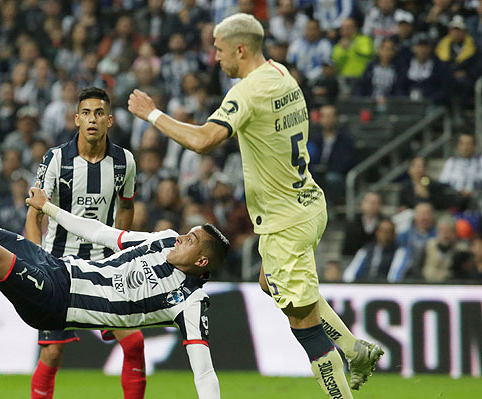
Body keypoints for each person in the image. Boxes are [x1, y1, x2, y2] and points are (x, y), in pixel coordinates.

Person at [127, 13, 383, 396]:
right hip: (308, 203)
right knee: (269, 281)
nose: (215, 57)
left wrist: (153, 114)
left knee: (304, 324)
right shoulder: (281, 74)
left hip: (285, 221)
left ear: (240, 49)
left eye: (219, 49)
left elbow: (203, 140)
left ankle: (344, 384)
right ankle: (354, 350)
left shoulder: (247, 92)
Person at [0, 188, 229, 399]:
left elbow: (205, 372)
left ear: (201, 263)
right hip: (56, 265)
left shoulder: (191, 302)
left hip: (56, 302)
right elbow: (103, 234)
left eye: (191, 240)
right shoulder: (162, 241)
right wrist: (52, 209)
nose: (181, 236)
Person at [24, 87, 144, 399]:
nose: (93, 119)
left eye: (99, 113)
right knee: (52, 354)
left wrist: (122, 250)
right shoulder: (56, 159)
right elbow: (34, 213)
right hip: (58, 266)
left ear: (110, 121)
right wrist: (37, 260)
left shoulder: (124, 162)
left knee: (134, 342)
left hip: (104, 268)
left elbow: (127, 206)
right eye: (87, 113)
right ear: (77, 119)